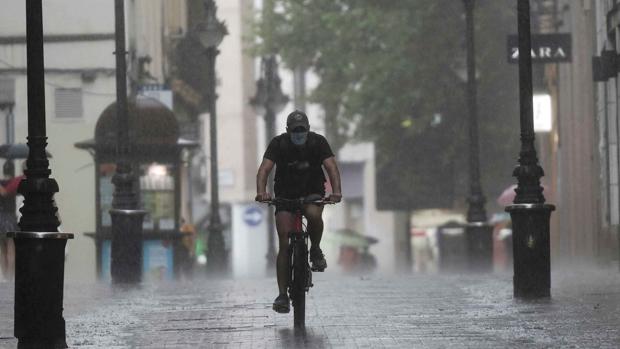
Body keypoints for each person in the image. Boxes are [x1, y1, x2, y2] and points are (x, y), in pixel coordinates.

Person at [255, 110, 342, 313]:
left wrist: (336, 192)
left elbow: (331, 168)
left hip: (312, 191)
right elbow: (264, 170)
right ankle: (282, 294)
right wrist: (261, 192)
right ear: (288, 131)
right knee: (284, 242)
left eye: (302, 130)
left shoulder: (318, 142)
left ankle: (315, 249)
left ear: (309, 129)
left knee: (313, 215)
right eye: (295, 130)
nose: (299, 134)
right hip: (285, 194)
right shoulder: (278, 144)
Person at [0, 161, 23, 281]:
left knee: (2, 250)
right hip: (10, 218)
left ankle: (4, 276)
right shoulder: (14, 183)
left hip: (0, 218)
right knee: (11, 248)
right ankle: (9, 277)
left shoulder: (1, 183)